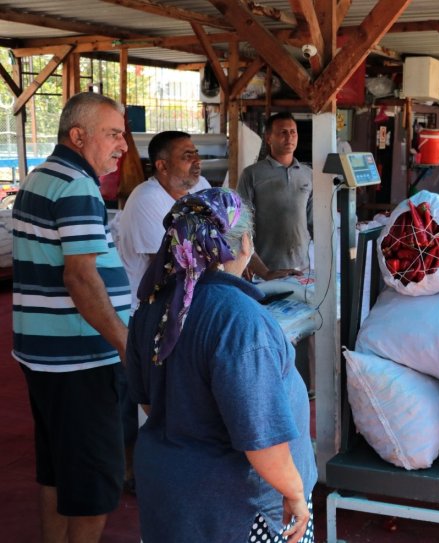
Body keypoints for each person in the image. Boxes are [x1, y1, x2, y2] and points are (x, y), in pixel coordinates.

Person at [126, 188, 317, 543]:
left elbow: (151, 401)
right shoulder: (239, 318)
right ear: (245, 244)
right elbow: (262, 437)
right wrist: (294, 491)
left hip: (170, 495)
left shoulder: (152, 306)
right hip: (239, 507)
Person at [11, 92, 131, 542]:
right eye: (113, 134)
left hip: (46, 353)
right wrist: (125, 343)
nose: (122, 146)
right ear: (78, 135)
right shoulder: (78, 186)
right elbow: (81, 279)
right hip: (81, 358)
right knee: (95, 480)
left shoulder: (41, 176)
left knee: (57, 471)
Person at [115, 131, 211, 309]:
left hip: (186, 293)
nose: (197, 161)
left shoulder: (201, 185)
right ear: (163, 166)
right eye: (187, 156)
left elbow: (225, 232)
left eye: (196, 153)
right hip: (145, 307)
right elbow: (170, 267)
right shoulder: (146, 198)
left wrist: (264, 273)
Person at [237, 112, 312, 280]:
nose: (289, 137)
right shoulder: (252, 174)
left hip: (301, 268)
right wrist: (251, 264)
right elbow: (240, 225)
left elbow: (314, 223)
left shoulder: (308, 175)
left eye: (293, 132)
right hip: (263, 270)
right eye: (283, 132)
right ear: (269, 138)